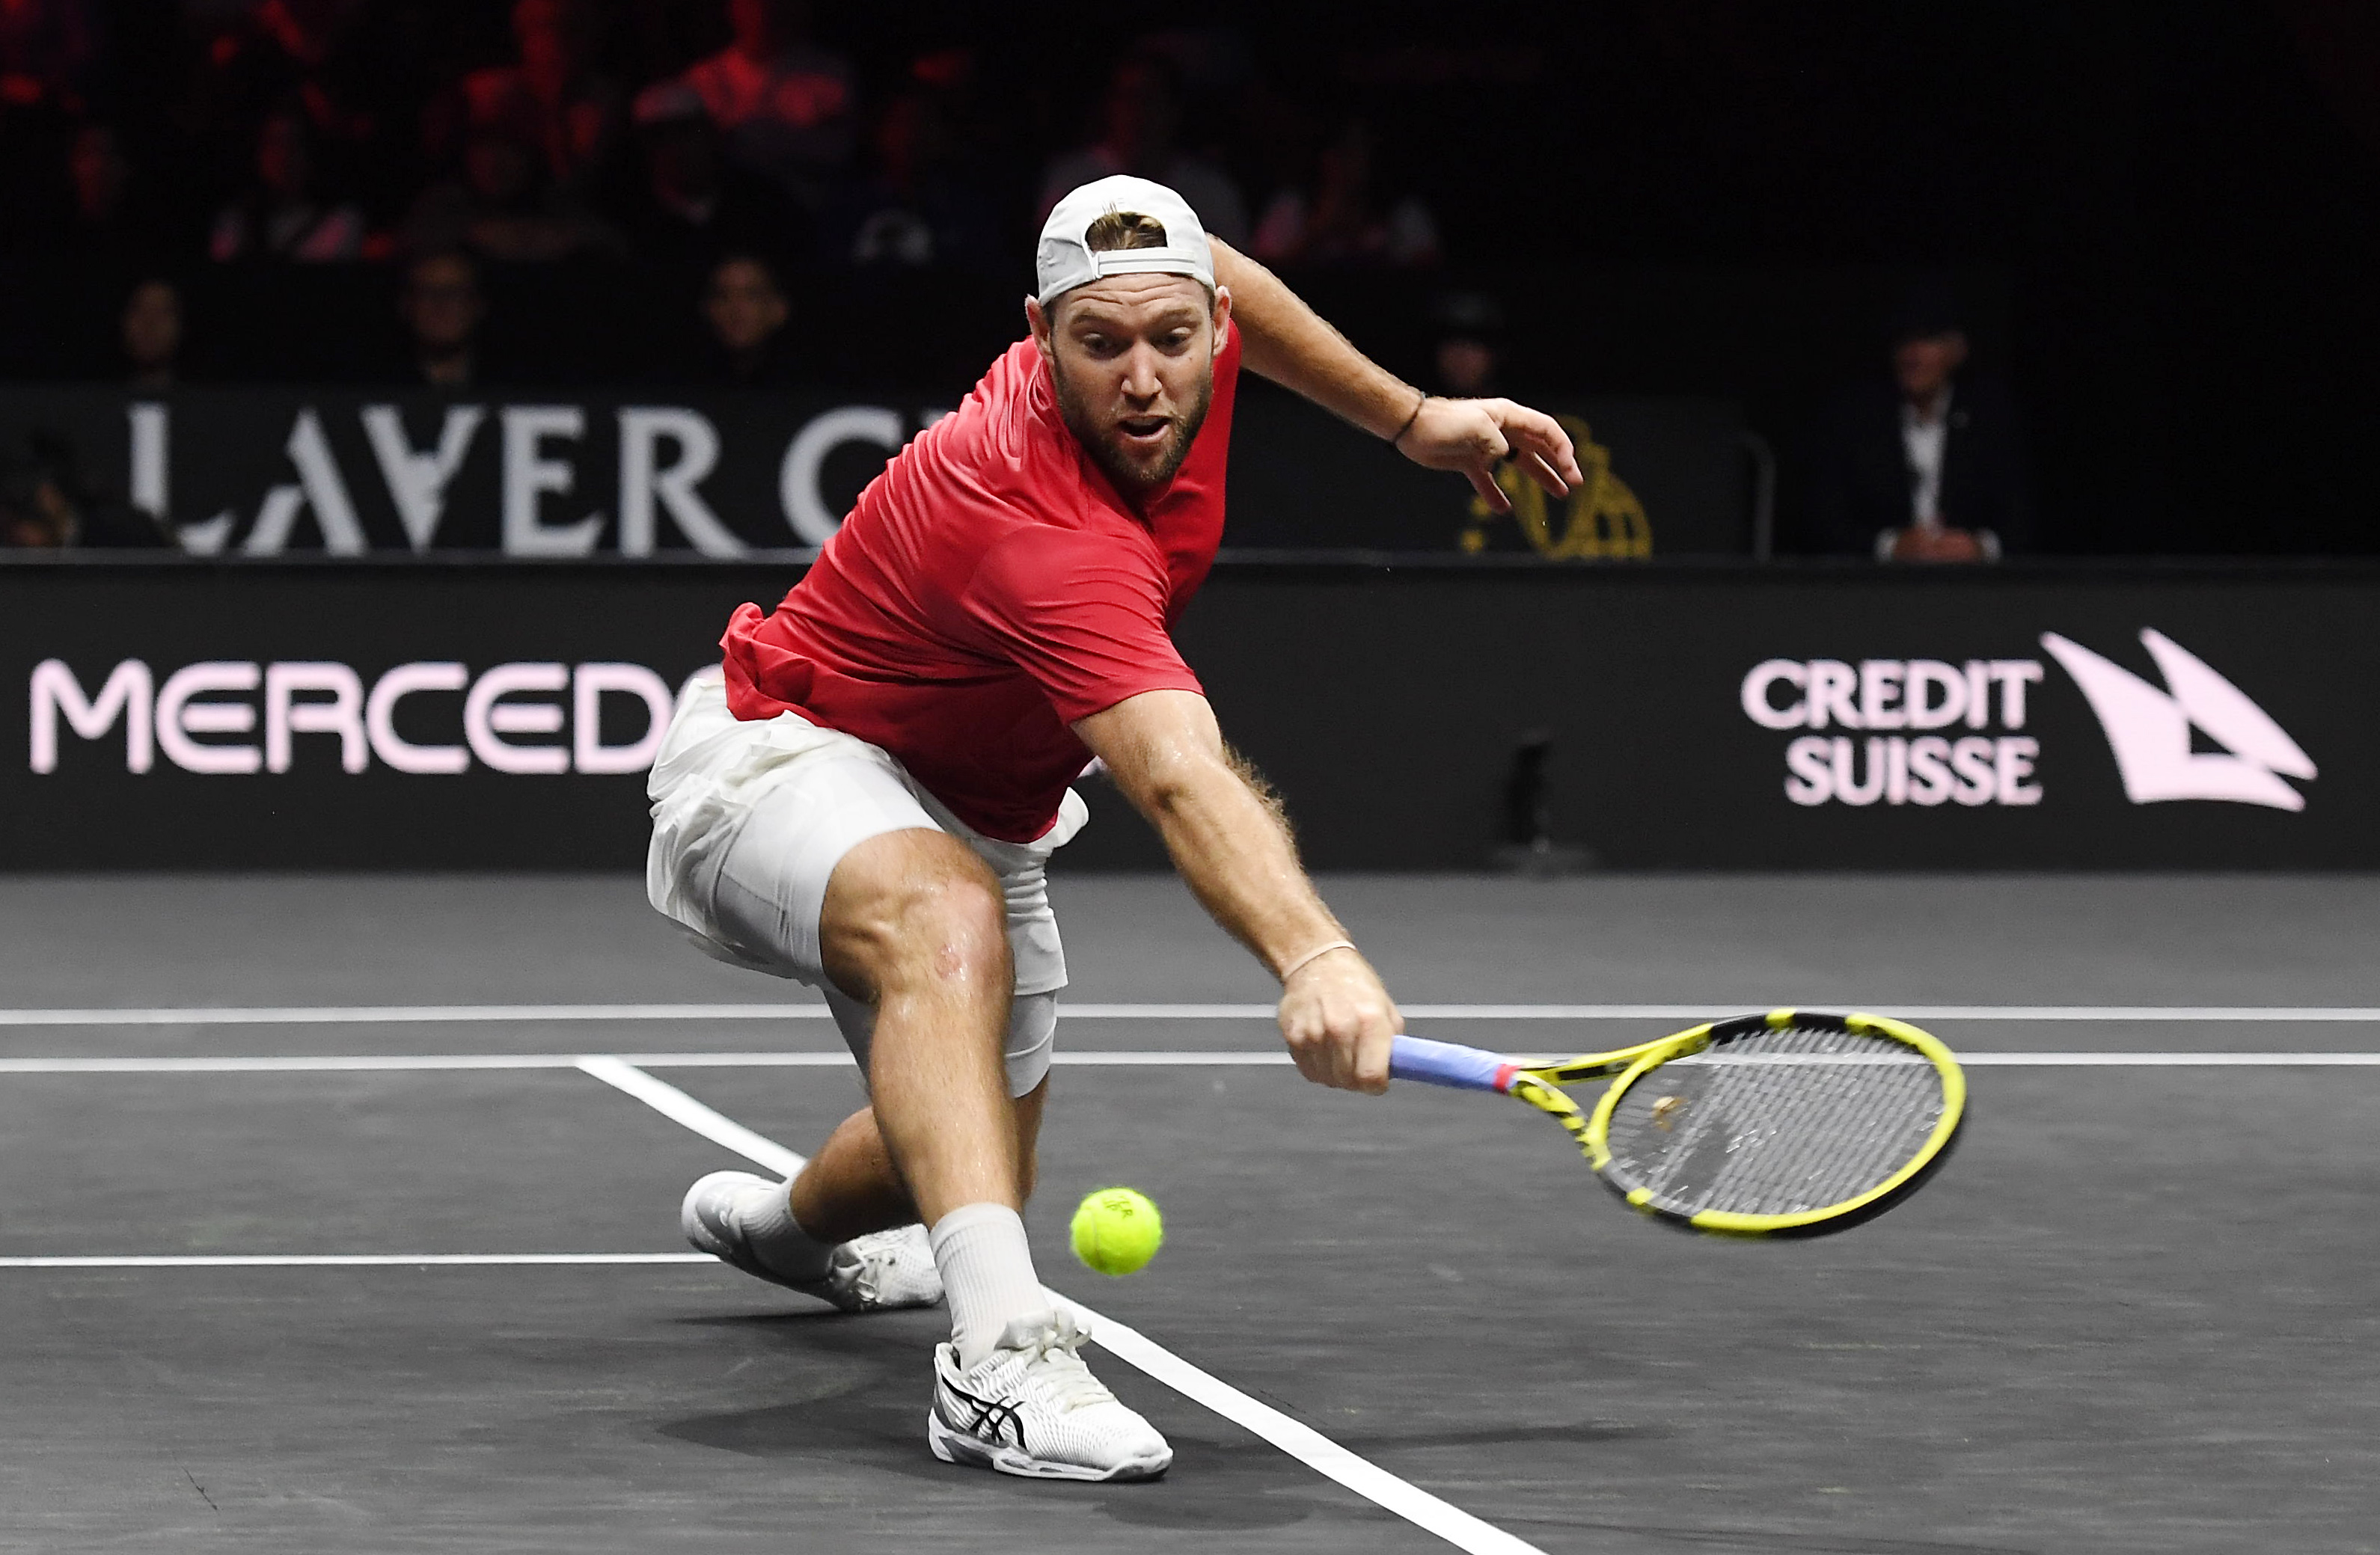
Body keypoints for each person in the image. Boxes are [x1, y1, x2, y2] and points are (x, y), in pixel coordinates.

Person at [649, 175, 1579, 1481]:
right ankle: (993, 1370)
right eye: (1100, 345)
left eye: (1171, 338)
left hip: (978, 800)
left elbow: (1235, 275)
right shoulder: (1033, 524)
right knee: (945, 916)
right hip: (779, 753)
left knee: (969, 1154)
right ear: (1041, 334)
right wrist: (1314, 955)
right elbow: (1181, 776)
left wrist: (1414, 418)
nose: (1142, 380)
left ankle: (785, 1227)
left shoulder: (1183, 314)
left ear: (1203, 323)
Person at [1808, 292, 2032, 562]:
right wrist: (1892, 546)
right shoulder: (1857, 422)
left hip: (1972, 588)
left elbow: (2023, 516)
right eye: (1904, 343)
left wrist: (1980, 547)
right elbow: (1826, 521)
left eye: (1928, 341)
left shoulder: (1990, 421)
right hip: (1879, 588)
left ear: (1957, 351)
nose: (1913, 356)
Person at [1038, 54, 1248, 248]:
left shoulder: (1212, 190)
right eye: (1129, 97)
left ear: (1174, 109)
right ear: (1110, 105)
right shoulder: (1071, 180)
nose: (1138, 111)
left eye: (1151, 98)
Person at [678, 0, 856, 212]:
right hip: (735, 219)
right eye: (751, 4)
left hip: (815, 216)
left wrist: (755, 138)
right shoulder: (702, 83)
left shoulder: (830, 74)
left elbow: (843, 151)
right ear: (732, 8)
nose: (763, 11)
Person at [1250, 117, 1440, 269]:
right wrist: (1318, 231)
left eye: (1361, 150)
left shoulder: (1402, 213)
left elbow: (1428, 274)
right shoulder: (1291, 208)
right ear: (1325, 157)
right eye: (1346, 151)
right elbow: (1263, 278)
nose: (1354, 162)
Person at [208, 106, 366, 262]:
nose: (283, 154)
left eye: (293, 142)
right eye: (274, 142)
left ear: (310, 152)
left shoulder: (340, 222)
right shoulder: (234, 222)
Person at [695, 251, 800, 386]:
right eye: (722, 296)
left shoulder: (807, 386)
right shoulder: (681, 384)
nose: (736, 309)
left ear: (780, 309)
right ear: (707, 308)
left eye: (752, 296)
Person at [397, 249, 484, 386]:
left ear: (477, 305)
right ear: (407, 305)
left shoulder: (512, 381)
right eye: (427, 292)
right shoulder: (372, 382)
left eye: (455, 293)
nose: (441, 304)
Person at [120, 276, 182, 388]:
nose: (149, 323)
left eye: (161, 313)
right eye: (140, 310)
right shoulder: (93, 396)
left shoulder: (208, 399)